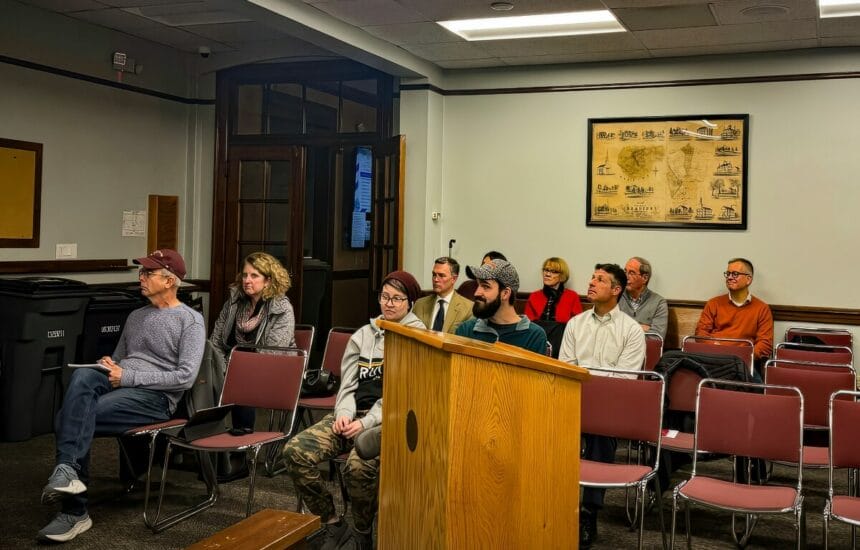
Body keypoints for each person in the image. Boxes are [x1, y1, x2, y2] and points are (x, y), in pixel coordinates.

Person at [38, 249, 205, 543]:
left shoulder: (190, 321)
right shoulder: (136, 315)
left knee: (70, 417)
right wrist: (111, 365)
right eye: (141, 272)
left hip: (156, 399)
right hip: (122, 386)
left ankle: (74, 511)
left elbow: (185, 377)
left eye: (148, 273)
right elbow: (121, 358)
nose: (140, 278)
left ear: (169, 281)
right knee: (84, 375)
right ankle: (68, 475)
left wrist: (127, 376)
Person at [283, 271, 425, 550]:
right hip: (352, 416)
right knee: (295, 451)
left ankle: (362, 533)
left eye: (397, 298)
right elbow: (347, 384)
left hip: (386, 421)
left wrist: (367, 422)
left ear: (410, 303)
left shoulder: (418, 338)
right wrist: (343, 414)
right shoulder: (363, 335)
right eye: (385, 296)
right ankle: (333, 522)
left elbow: (402, 394)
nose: (390, 303)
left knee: (357, 468)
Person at [558, 263, 646, 549]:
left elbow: (623, 380)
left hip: (610, 405)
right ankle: (554, 502)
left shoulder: (631, 331)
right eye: (592, 277)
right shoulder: (576, 323)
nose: (592, 283)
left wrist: (593, 394)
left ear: (616, 290)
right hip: (573, 399)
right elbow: (566, 368)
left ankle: (588, 512)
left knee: (601, 432)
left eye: (600, 280)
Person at [209, 251, 295, 480]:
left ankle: (240, 454)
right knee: (203, 376)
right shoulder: (234, 302)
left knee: (242, 378)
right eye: (245, 275)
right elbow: (216, 341)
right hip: (233, 364)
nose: (247, 280)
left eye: (255, 275)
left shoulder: (281, 307)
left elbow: (272, 353)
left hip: (272, 369)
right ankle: (208, 449)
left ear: (268, 280)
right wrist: (220, 366)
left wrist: (233, 367)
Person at [455, 259, 547, 355]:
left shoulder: (533, 336)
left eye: (486, 286)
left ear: (505, 293)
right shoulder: (466, 330)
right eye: (478, 285)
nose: (477, 293)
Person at [695, 257, 774, 368]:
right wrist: (716, 350)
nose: (730, 277)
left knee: (755, 383)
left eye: (735, 274)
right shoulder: (713, 303)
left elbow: (765, 344)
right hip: (713, 360)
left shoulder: (762, 309)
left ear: (748, 279)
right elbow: (701, 333)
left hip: (742, 363)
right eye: (728, 274)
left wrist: (743, 356)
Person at [524, 256, 582, 357]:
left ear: (562, 276)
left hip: (563, 347)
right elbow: (527, 325)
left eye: (553, 271)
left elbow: (577, 327)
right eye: (546, 270)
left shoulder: (571, 296)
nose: (547, 274)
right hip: (536, 344)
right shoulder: (534, 296)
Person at [413, 256, 473, 333]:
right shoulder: (420, 304)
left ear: (453, 279)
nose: (436, 279)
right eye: (434, 274)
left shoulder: (468, 308)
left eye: (441, 275)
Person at [618, 256, 669, 338]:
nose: (626, 277)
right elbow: (609, 329)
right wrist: (640, 327)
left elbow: (657, 338)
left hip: (644, 350)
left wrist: (624, 328)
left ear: (645, 278)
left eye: (631, 273)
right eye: (625, 272)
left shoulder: (659, 303)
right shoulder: (616, 297)